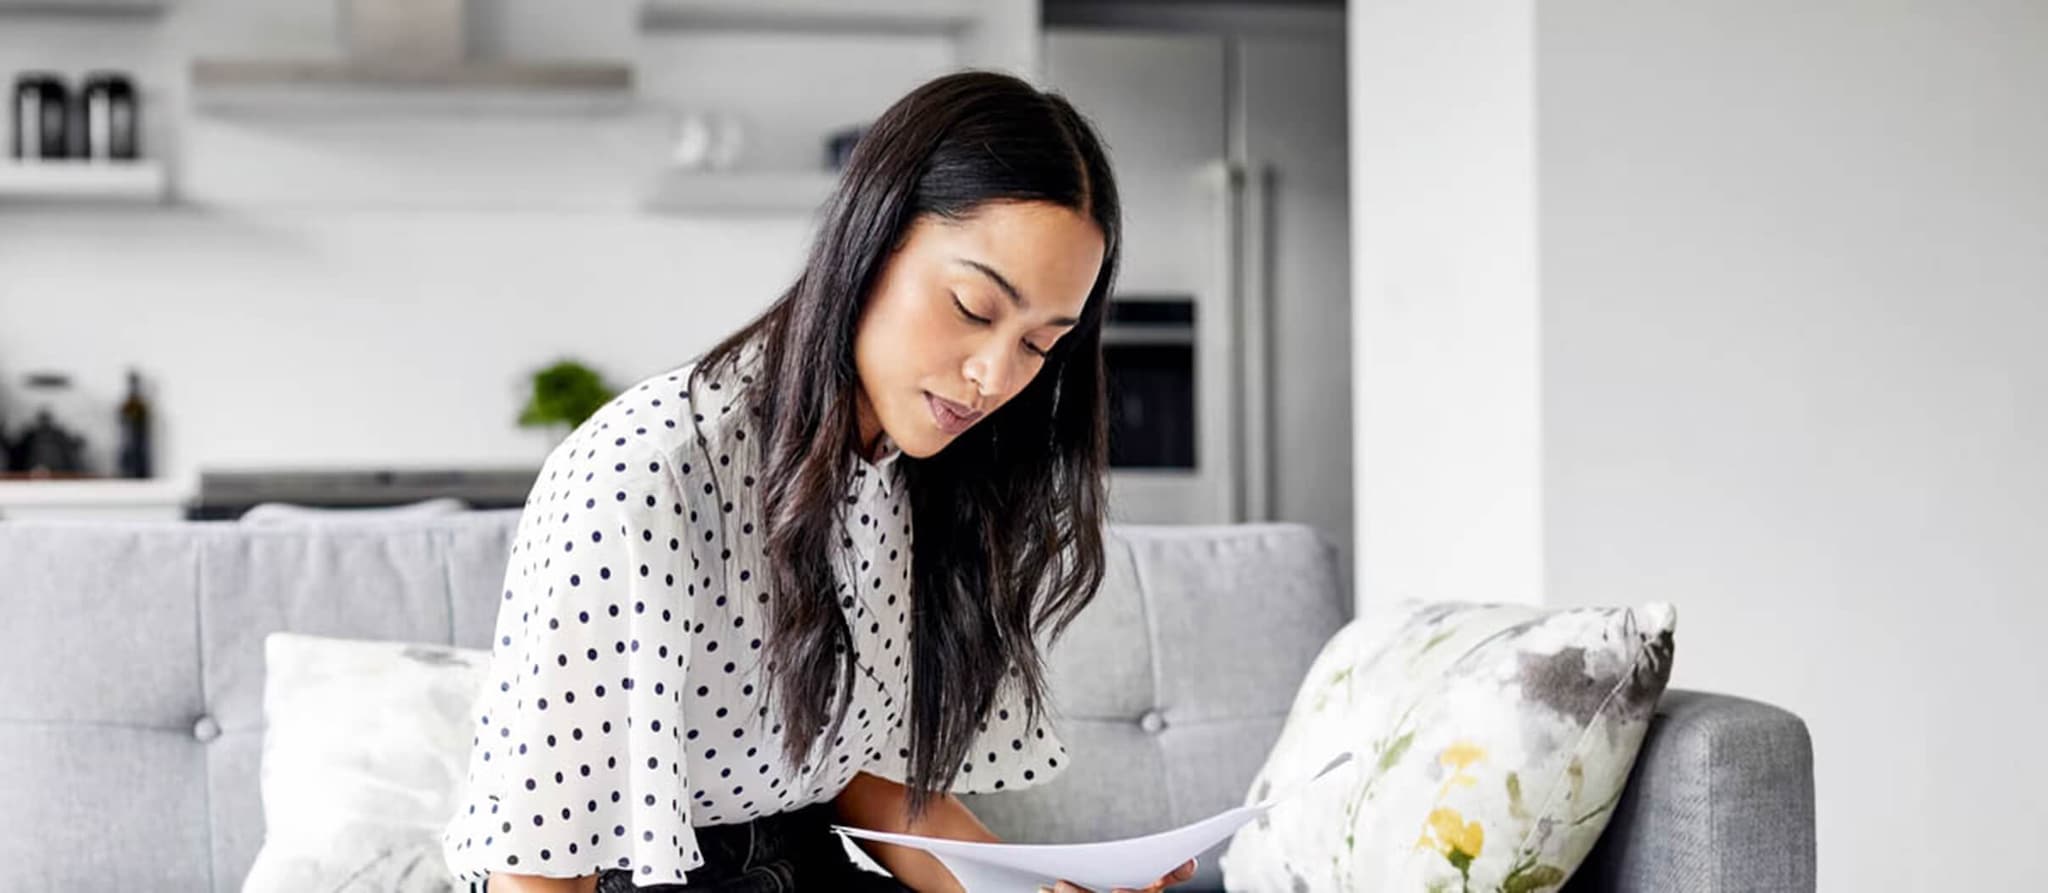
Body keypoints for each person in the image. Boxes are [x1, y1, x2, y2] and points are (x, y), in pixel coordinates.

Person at [440, 70, 1199, 893]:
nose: (992, 375)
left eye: (1039, 345)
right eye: (975, 308)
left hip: (803, 865)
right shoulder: (643, 473)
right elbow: (536, 865)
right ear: (870, 244)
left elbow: (860, 777)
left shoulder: (921, 476)